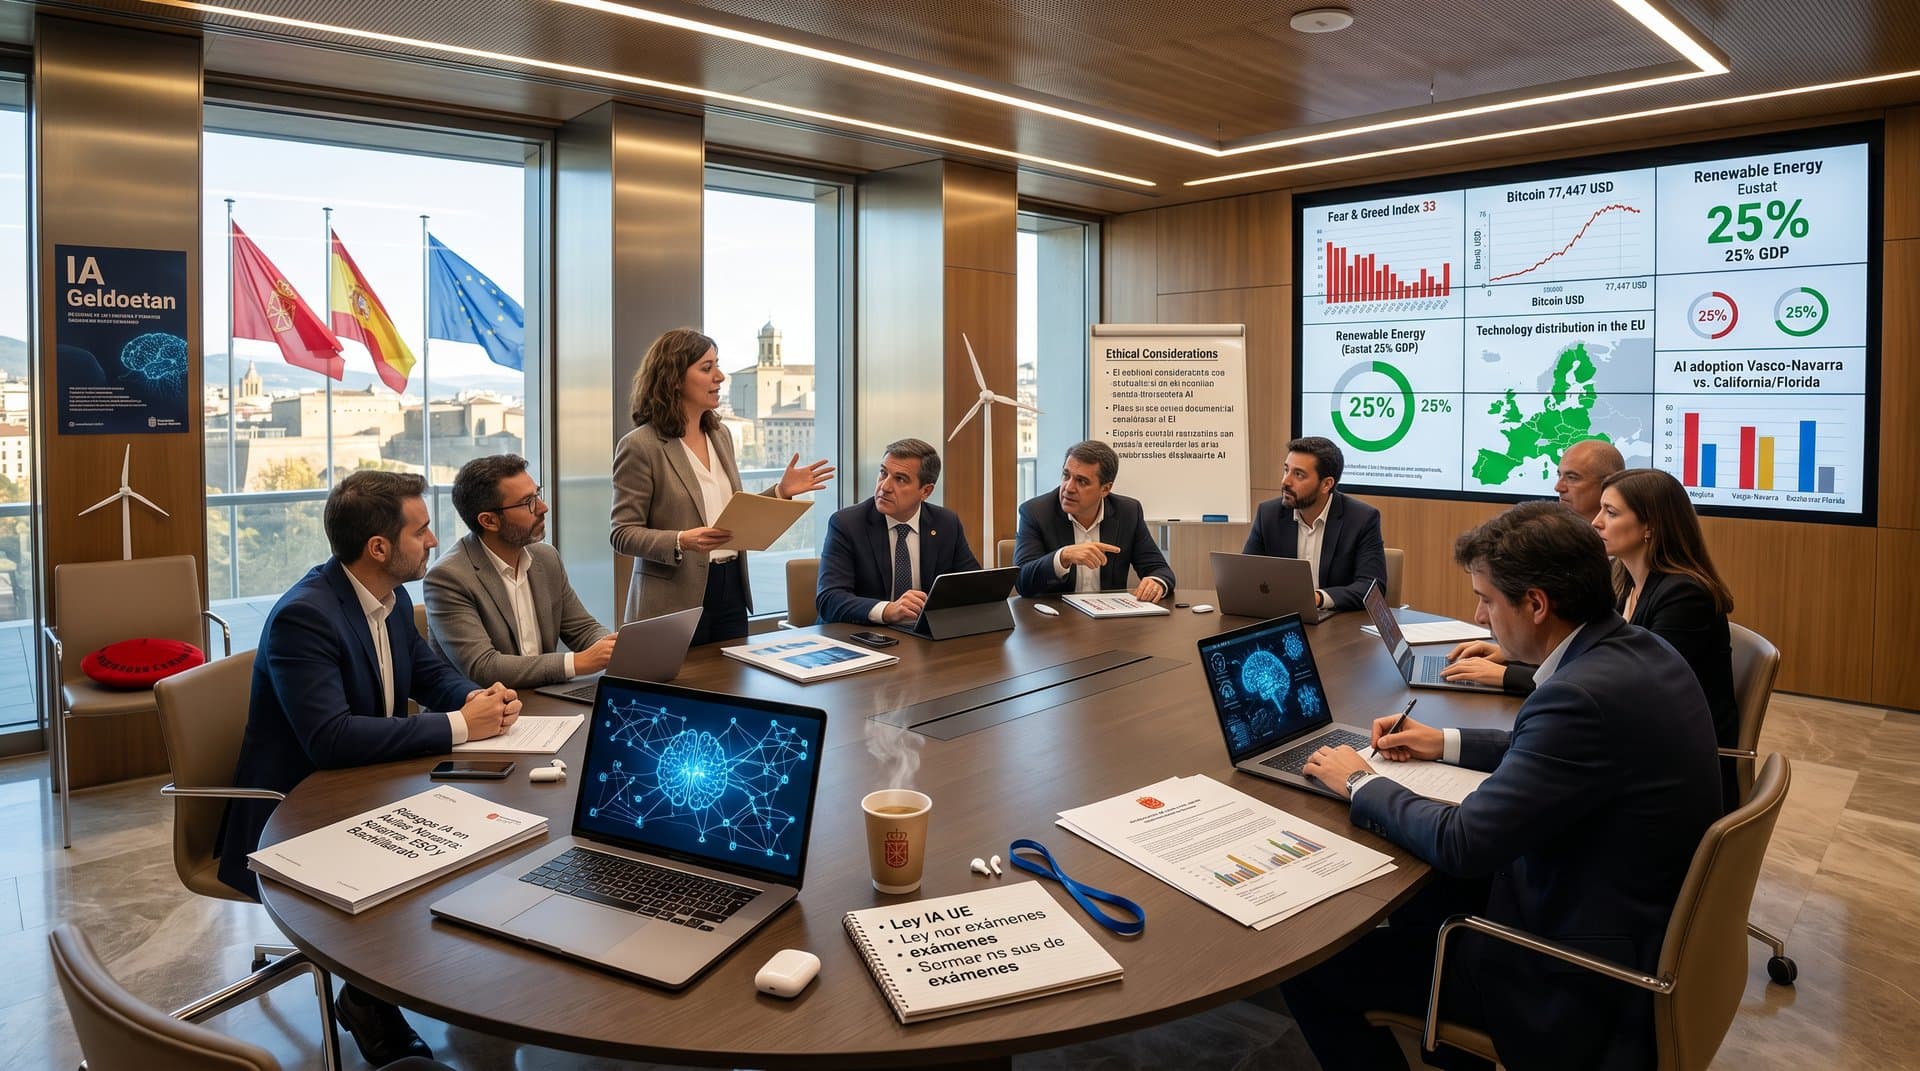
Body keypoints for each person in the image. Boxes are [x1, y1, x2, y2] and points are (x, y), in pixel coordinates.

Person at [1284, 501, 1721, 1071]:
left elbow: (1465, 843)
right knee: (1427, 898)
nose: (1480, 616)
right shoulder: (1633, 649)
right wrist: (1442, 741)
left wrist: (1362, 783)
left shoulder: (1578, 697)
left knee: (1313, 969)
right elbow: (1556, 754)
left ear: (1536, 604)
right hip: (1630, 916)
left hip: (1571, 972)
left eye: (1486, 600)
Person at [216, 471, 522, 1066]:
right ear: (379, 547)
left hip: (368, 789)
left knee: (494, 832)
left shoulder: (390, 596)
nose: (434, 541)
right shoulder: (305, 617)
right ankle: (367, 1000)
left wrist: (480, 700)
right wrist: (462, 727)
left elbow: (430, 674)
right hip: (295, 812)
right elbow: (330, 740)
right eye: (422, 529)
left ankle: (451, 977)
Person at [1445, 468, 1741, 809]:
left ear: (1652, 526)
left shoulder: (1684, 595)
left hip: (1664, 775)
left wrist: (1507, 674)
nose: (1597, 522)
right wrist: (1510, 652)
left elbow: (1615, 685)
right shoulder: (1626, 582)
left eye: (1611, 513)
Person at [610, 327, 833, 644]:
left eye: (718, 364)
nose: (721, 376)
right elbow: (622, 533)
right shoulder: (640, 446)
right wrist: (681, 540)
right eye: (707, 368)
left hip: (731, 589)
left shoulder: (721, 436)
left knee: (731, 688)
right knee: (682, 690)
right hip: (673, 600)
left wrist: (781, 492)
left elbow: (728, 515)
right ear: (673, 378)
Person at [425, 454, 615, 688]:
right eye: (528, 503)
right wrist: (576, 663)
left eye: (537, 494)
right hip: (486, 711)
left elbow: (582, 629)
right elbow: (484, 667)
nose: (543, 507)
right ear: (489, 521)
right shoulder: (449, 577)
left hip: (545, 698)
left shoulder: (546, 558)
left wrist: (614, 648)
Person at [815, 438, 980, 626]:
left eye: (900, 479)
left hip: (922, 637)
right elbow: (829, 599)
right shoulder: (847, 524)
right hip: (860, 636)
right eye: (883, 473)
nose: (884, 487)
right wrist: (887, 610)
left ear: (926, 491)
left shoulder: (946, 523)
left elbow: (972, 585)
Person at [1012, 439, 1175, 601]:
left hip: (1108, 620)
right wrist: (1063, 557)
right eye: (1066, 475)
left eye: (1081, 481)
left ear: (1105, 489)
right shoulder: (1035, 512)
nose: (1068, 488)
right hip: (1056, 618)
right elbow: (1022, 581)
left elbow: (1158, 569)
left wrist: (1156, 582)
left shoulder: (1128, 512)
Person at [1242, 435, 1386, 612]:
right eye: (1286, 470)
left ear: (1326, 484)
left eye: (1298, 475)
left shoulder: (1362, 519)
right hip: (1283, 620)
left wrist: (1318, 598)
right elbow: (1246, 576)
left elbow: (1372, 588)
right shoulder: (1268, 514)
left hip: (1338, 626)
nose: (1285, 481)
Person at [1552, 437, 1625, 522]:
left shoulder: (1629, 534)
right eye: (1559, 475)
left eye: (1572, 478)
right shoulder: (1549, 531)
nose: (1558, 488)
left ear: (1608, 484)